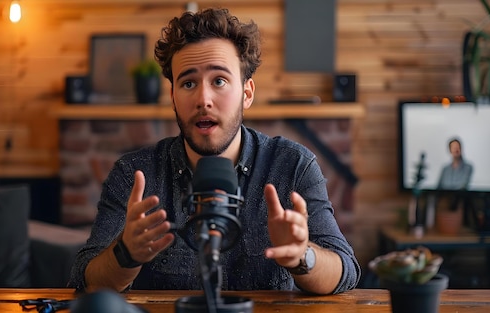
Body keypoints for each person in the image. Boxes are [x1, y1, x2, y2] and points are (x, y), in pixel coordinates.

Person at [68, 7, 360, 295]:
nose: (203, 99)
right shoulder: (135, 174)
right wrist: (125, 253)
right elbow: (86, 280)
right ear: (172, 96)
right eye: (188, 83)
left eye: (219, 81)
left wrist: (302, 256)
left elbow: (345, 270)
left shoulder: (293, 165)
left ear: (247, 93)